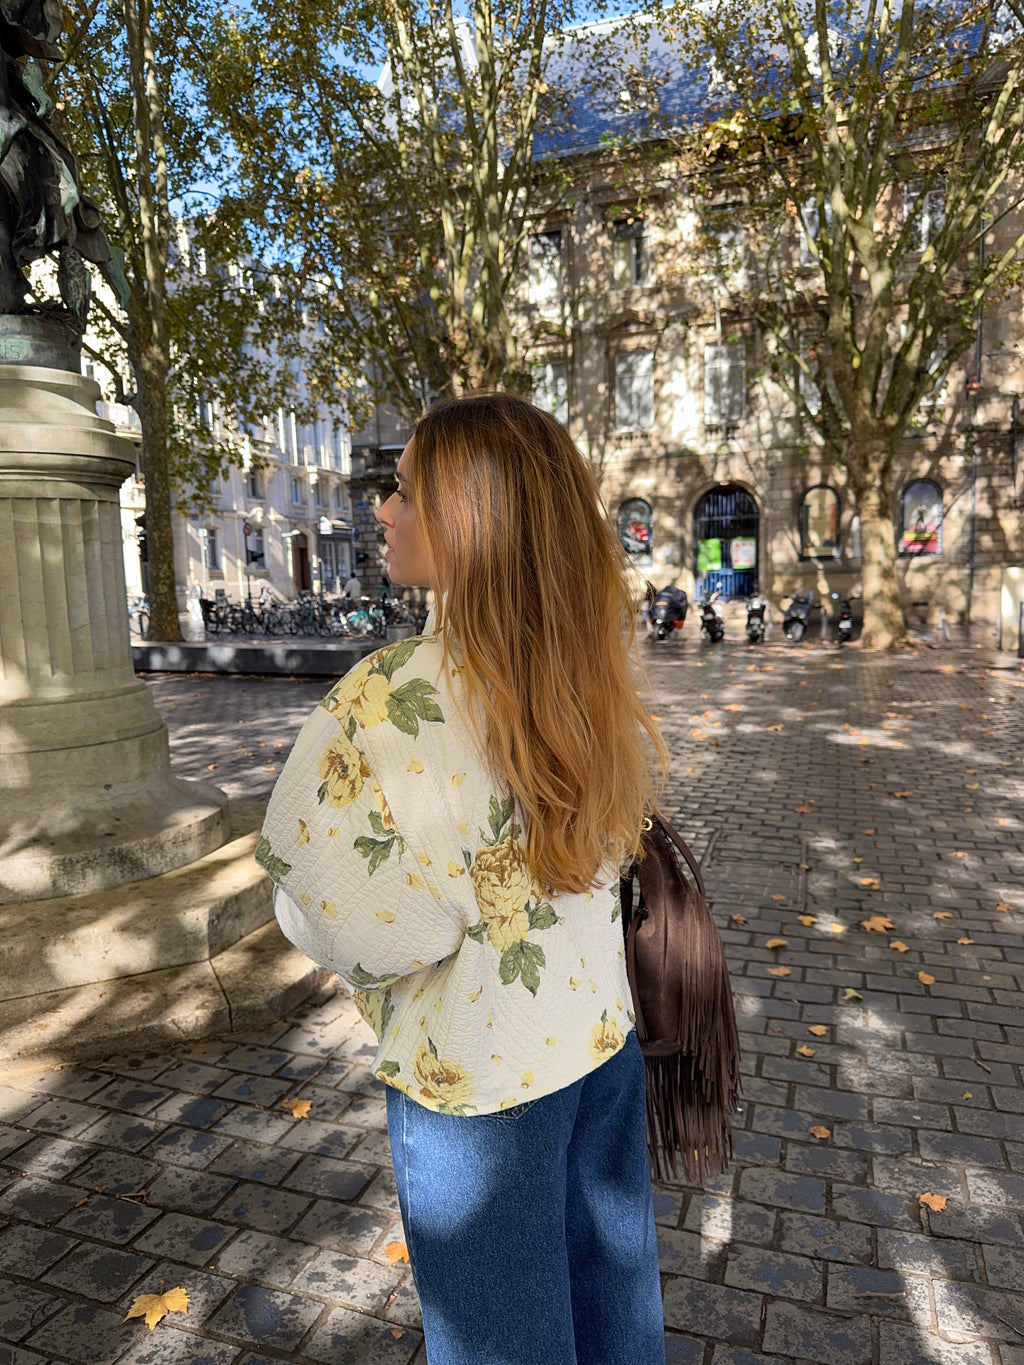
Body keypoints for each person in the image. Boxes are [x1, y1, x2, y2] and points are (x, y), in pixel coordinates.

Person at [256, 392, 668, 1364]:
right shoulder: (586, 670)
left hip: (478, 1083)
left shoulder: (387, 696)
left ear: (470, 518)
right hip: (600, 1043)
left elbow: (346, 918)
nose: (381, 509)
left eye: (403, 492)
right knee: (614, 1318)